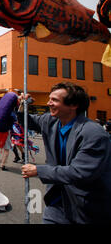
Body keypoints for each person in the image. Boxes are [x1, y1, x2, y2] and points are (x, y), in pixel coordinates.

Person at [20, 82, 111, 224]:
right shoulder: (51, 121)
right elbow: (26, 121)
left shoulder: (94, 134)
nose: (49, 103)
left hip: (86, 208)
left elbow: (79, 173)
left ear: (73, 105)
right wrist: (20, 105)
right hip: (57, 203)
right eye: (50, 99)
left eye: (54, 100)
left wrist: (38, 170)